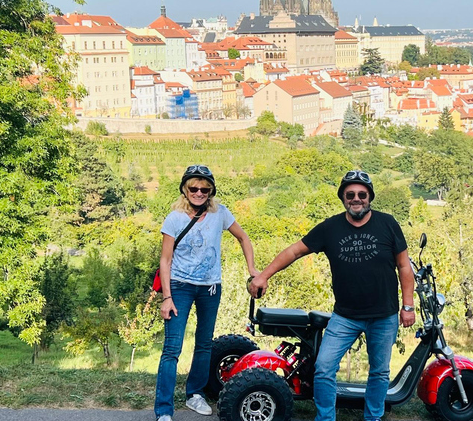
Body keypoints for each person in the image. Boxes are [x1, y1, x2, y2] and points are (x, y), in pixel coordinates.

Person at [249, 170, 415, 421]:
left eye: (362, 194)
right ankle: (325, 418)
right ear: (343, 198)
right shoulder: (330, 228)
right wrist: (264, 275)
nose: (356, 198)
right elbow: (294, 251)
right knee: (324, 368)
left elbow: (404, 266)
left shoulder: (388, 223)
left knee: (379, 372)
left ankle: (373, 418)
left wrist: (408, 306)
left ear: (370, 197)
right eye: (350, 194)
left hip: (384, 315)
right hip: (345, 316)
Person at [154, 165, 258, 421]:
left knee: (204, 344)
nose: (199, 193)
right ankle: (164, 409)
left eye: (204, 189)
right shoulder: (174, 218)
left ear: (211, 191)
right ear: (185, 189)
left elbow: (244, 238)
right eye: (194, 188)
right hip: (179, 286)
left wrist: (253, 269)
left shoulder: (220, 213)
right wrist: (166, 297)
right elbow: (165, 260)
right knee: (172, 348)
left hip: (210, 288)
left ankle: (194, 395)